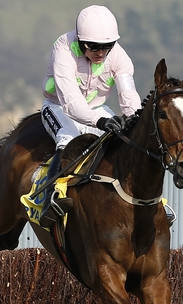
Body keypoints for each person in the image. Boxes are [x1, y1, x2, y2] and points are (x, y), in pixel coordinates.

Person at [39, 5, 141, 227]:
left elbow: (129, 96)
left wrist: (134, 121)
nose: (101, 53)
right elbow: (71, 102)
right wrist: (102, 122)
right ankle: (52, 199)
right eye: (93, 46)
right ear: (80, 40)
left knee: (124, 140)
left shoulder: (120, 57)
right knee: (67, 138)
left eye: (107, 46)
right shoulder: (63, 47)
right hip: (58, 107)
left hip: (96, 109)